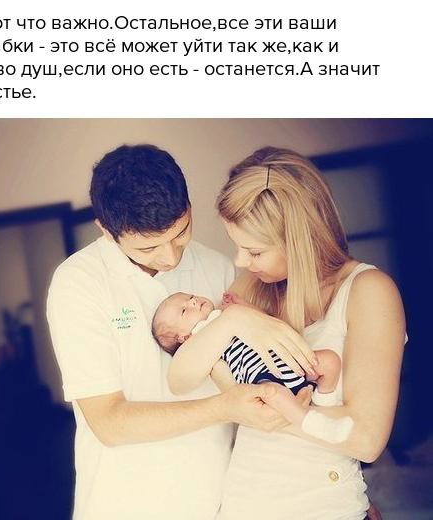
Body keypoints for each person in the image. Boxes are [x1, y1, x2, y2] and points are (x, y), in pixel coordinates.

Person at [46, 144, 316, 520]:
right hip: (123, 505)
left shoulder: (218, 268)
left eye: (181, 233)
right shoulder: (79, 283)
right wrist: (224, 407)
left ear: (188, 206)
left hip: (219, 501)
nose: (171, 257)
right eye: (148, 247)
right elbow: (108, 422)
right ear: (106, 231)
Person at [168, 147, 406, 519]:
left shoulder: (368, 291)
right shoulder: (253, 288)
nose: (239, 261)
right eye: (237, 247)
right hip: (245, 503)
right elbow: (181, 378)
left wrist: (273, 407)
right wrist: (233, 320)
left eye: (254, 251)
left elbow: (366, 439)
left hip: (324, 507)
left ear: (299, 240)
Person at [152, 291, 354, 444]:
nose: (193, 302)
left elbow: (265, 323)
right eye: (184, 310)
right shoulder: (199, 341)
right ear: (183, 338)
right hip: (262, 376)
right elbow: (189, 376)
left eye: (190, 297)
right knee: (274, 393)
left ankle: (324, 403)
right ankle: (315, 424)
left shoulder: (227, 311)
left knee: (330, 361)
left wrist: (245, 307)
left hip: (289, 362)